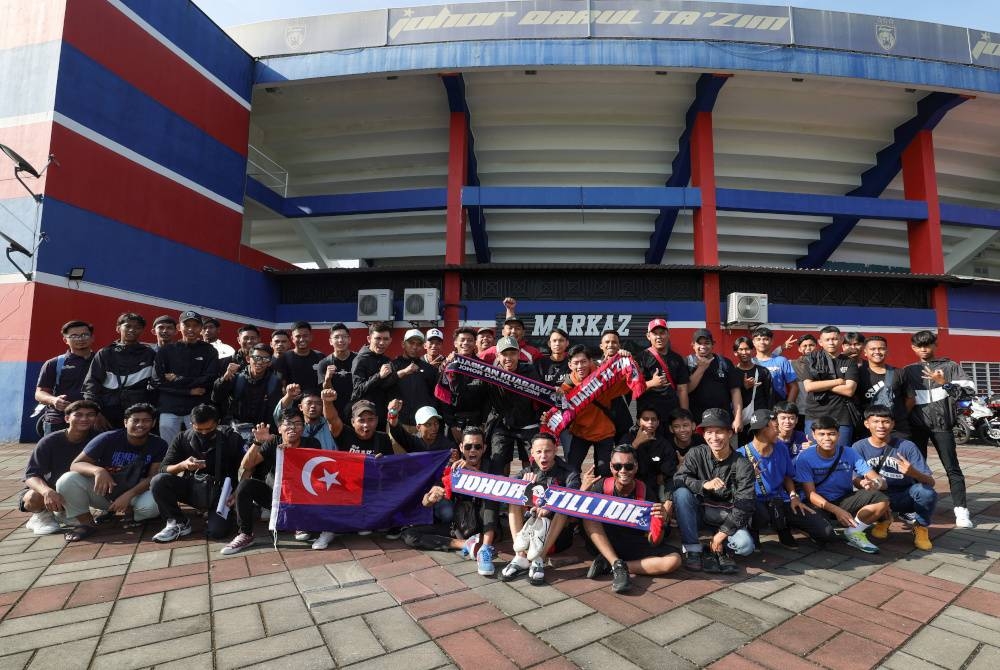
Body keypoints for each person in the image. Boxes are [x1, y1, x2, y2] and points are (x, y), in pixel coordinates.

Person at [56, 403, 166, 541]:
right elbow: (76, 464)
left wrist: (129, 495)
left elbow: (153, 476)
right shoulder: (107, 438)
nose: (140, 425)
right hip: (106, 491)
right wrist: (98, 470)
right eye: (135, 420)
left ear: (153, 423)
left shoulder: (159, 444)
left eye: (146, 421)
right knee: (67, 480)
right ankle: (85, 523)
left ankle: (129, 512)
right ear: (126, 422)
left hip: (136, 492)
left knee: (151, 507)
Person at [581, 445, 681, 593]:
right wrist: (583, 492)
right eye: (617, 466)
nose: (623, 471)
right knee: (587, 513)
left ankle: (613, 566)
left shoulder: (646, 491)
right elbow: (574, 515)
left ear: (636, 467)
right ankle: (614, 562)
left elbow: (654, 542)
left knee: (674, 560)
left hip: (632, 543)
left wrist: (660, 522)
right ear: (610, 466)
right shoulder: (600, 486)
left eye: (628, 466)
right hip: (604, 541)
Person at [219, 409, 321, 555]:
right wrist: (257, 442)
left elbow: (315, 475)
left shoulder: (312, 443)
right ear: (279, 429)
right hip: (276, 497)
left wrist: (291, 455)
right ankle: (245, 534)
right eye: (288, 424)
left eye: (298, 424)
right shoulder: (273, 442)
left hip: (301, 497)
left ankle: (299, 521)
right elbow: (247, 465)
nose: (292, 428)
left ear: (303, 428)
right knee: (246, 485)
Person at [903, 329, 974, 529]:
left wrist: (945, 384)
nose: (924, 349)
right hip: (916, 428)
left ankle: (961, 511)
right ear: (913, 348)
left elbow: (968, 394)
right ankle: (912, 508)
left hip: (943, 426)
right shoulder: (908, 371)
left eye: (927, 345)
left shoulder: (951, 366)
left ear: (935, 345)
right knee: (914, 470)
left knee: (952, 468)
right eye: (919, 346)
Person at [672, 409, 756, 573]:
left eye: (719, 432)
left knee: (745, 546)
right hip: (701, 513)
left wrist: (722, 533)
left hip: (729, 516)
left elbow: (746, 504)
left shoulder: (742, 464)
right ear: (703, 435)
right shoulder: (696, 453)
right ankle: (693, 549)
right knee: (681, 493)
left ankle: (721, 548)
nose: (714, 437)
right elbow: (678, 479)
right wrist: (703, 484)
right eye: (709, 432)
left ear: (730, 433)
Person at [561, 344, 664, 475]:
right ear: (570, 365)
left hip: (604, 432)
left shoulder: (604, 377)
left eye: (583, 361)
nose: (580, 366)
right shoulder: (566, 386)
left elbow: (628, 382)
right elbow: (560, 411)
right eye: (576, 363)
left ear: (590, 361)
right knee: (571, 469)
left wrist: (628, 360)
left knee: (604, 471)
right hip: (580, 433)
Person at [794, 415, 890, 554]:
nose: (827, 438)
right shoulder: (805, 458)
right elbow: (811, 494)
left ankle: (853, 532)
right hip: (818, 503)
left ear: (838, 435)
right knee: (826, 535)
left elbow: (880, 481)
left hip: (843, 499)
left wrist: (875, 484)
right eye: (822, 434)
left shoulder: (849, 452)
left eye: (831, 434)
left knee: (882, 499)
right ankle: (813, 526)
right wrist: (837, 511)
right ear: (814, 435)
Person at [738, 409, 832, 548]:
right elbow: (736, 490)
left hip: (780, 500)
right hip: (755, 503)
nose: (779, 430)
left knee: (825, 532)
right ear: (764, 429)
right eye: (776, 427)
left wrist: (793, 496)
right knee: (759, 513)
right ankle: (754, 529)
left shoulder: (780, 447)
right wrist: (749, 476)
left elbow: (788, 475)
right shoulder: (741, 454)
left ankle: (784, 525)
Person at [149, 404, 244, 542]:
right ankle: (178, 522)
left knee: (217, 532)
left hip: (222, 492)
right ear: (191, 424)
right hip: (192, 487)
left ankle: (223, 515)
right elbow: (164, 468)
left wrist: (236, 493)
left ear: (218, 423)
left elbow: (247, 467)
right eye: (199, 429)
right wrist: (183, 465)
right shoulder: (182, 438)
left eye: (209, 429)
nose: (204, 433)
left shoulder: (231, 438)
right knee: (159, 481)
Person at [403, 426, 499, 560]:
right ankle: (464, 544)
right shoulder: (453, 468)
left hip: (484, 526)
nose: (472, 450)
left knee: (491, 494)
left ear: (484, 448)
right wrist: (431, 498)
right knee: (409, 535)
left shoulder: (492, 466)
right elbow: (426, 502)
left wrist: (472, 471)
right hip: (459, 526)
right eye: (468, 447)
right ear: (461, 447)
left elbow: (501, 489)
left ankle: (485, 547)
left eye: (477, 447)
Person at [853, 405, 937, 550]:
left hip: (903, 495)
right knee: (859, 496)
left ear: (893, 424)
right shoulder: (858, 447)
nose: (881, 426)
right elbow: (854, 478)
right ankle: (883, 520)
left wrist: (913, 473)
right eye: (876, 421)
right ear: (867, 424)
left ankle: (921, 527)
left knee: (926, 492)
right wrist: (863, 483)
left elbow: (931, 482)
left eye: (886, 421)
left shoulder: (907, 446)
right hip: (876, 497)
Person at [499, 433, 580, 584]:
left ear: (556, 450)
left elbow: (573, 494)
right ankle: (521, 557)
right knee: (514, 499)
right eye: (539, 452)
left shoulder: (569, 472)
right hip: (528, 536)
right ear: (532, 453)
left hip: (556, 538)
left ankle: (539, 560)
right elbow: (506, 492)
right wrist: (523, 488)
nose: (543, 456)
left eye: (548, 451)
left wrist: (550, 506)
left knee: (563, 508)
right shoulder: (527, 471)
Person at [20, 400, 99, 535]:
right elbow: (31, 476)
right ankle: (41, 516)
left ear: (96, 419)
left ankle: (66, 513)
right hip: (50, 490)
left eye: (90, 415)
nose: (84, 419)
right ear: (67, 418)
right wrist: (47, 492)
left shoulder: (99, 439)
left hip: (77, 488)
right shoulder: (49, 441)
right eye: (78, 415)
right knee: (33, 497)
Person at [151, 310, 220, 444]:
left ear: (201, 329)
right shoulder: (166, 350)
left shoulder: (209, 351)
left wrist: (178, 379)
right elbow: (157, 381)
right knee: (168, 448)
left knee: (199, 446)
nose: (191, 329)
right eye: (187, 325)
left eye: (195, 326)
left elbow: (210, 378)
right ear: (179, 327)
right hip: (169, 407)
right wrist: (189, 391)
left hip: (196, 408)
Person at [83, 312, 157, 430]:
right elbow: (92, 383)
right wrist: (95, 412)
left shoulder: (150, 354)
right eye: (128, 326)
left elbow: (155, 385)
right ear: (118, 328)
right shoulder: (105, 353)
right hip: (107, 410)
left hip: (138, 412)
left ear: (142, 330)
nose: (132, 330)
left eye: (137, 327)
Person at [484, 336, 544, 476]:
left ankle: (530, 492)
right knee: (498, 461)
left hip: (527, 423)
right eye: (504, 354)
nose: (508, 358)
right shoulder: (489, 373)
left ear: (518, 354)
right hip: (502, 425)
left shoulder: (530, 371)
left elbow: (542, 393)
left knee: (532, 461)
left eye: (512, 353)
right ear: (498, 355)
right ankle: (500, 495)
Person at [35, 320, 96, 435]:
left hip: (93, 420)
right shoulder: (54, 363)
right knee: (54, 453)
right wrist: (54, 400)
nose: (80, 339)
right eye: (74, 336)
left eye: (84, 335)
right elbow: (39, 393)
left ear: (92, 338)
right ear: (65, 340)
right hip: (59, 419)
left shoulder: (102, 361)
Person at [801, 326, 859, 446]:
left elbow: (849, 390)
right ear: (820, 342)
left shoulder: (849, 362)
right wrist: (837, 381)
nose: (831, 342)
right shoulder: (811, 360)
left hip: (841, 417)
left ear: (841, 339)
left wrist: (820, 383)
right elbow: (809, 387)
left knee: (841, 456)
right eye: (827, 340)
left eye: (834, 339)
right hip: (814, 415)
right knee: (813, 454)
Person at [213, 343, 284, 432]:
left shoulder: (274, 382)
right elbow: (216, 398)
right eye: (256, 357)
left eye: (265, 359)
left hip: (261, 431)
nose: (260, 362)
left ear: (269, 363)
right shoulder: (236, 378)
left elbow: (274, 412)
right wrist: (225, 378)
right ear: (248, 359)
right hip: (236, 430)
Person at [636, 319, 689, 436]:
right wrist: (651, 383)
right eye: (655, 334)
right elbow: (633, 389)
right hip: (649, 418)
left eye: (662, 333)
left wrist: (685, 416)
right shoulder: (640, 358)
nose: (659, 337)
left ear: (668, 335)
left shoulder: (677, 359)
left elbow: (682, 389)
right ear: (648, 336)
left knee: (670, 448)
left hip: (672, 415)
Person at [687, 329, 743, 430]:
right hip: (697, 422)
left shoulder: (725, 363)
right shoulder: (687, 363)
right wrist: (701, 368)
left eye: (707, 343)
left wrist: (738, 417)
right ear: (693, 345)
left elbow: (735, 391)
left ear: (713, 344)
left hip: (723, 420)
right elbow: (686, 390)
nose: (703, 347)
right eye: (699, 343)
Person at [440, 327, 489, 442]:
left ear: (475, 343)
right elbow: (443, 398)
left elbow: (488, 398)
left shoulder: (483, 367)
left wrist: (483, 423)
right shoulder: (448, 365)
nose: (466, 343)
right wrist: (452, 425)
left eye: (470, 340)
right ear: (455, 343)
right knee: (453, 458)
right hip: (454, 424)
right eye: (462, 340)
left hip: (477, 423)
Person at [856, 335, 909, 437]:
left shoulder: (899, 373)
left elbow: (910, 399)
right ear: (865, 352)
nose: (877, 352)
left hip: (898, 429)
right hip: (868, 429)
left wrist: (899, 415)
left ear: (886, 351)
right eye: (873, 349)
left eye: (881, 349)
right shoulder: (858, 373)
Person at [351, 322, 400, 430]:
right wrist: (379, 376)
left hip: (381, 418)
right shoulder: (360, 359)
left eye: (386, 339)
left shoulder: (386, 360)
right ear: (369, 339)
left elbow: (385, 388)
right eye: (378, 338)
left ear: (390, 340)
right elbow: (358, 391)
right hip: (364, 421)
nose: (382, 343)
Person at [629, 407, 678, 503]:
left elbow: (669, 468)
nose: (650, 422)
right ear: (639, 422)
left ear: (658, 423)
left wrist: (662, 474)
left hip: (654, 485)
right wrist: (636, 443)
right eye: (646, 419)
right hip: (631, 482)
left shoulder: (664, 443)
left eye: (653, 419)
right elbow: (619, 459)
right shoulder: (628, 437)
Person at [392, 329, 437, 430]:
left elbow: (435, 397)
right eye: (411, 343)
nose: (415, 347)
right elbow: (384, 386)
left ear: (423, 346)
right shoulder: (393, 365)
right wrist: (403, 372)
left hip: (423, 425)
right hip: (398, 424)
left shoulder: (430, 370)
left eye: (419, 344)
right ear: (403, 344)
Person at [732, 336, 774, 442]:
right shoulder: (732, 372)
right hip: (742, 421)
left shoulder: (763, 371)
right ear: (735, 352)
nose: (744, 352)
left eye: (747, 349)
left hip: (761, 420)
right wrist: (744, 387)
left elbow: (769, 395)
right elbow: (730, 396)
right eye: (740, 349)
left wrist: (771, 417)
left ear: (752, 350)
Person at [274, 385, 337, 450]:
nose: (313, 406)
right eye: (309, 403)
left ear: (323, 407)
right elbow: (279, 415)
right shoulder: (294, 426)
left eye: (318, 403)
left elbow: (333, 418)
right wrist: (289, 396)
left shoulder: (330, 425)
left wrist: (328, 403)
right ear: (300, 407)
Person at [273, 321, 325, 396]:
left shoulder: (320, 357)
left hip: (315, 403)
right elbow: (282, 386)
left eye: (305, 336)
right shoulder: (283, 358)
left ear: (311, 337)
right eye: (298, 336)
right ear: (292, 338)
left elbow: (324, 383)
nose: (301, 339)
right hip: (292, 403)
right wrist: (290, 397)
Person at [317, 323, 356, 423]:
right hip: (335, 413)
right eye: (336, 337)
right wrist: (328, 378)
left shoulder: (359, 360)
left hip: (357, 411)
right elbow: (327, 394)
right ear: (330, 341)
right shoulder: (324, 363)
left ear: (350, 340)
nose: (340, 340)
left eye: (344, 337)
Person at [751, 326, 798, 403]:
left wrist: (787, 408)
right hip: (756, 405)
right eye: (758, 339)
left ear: (772, 341)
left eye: (766, 339)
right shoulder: (750, 362)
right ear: (753, 342)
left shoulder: (781, 361)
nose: (762, 342)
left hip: (778, 404)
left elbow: (794, 387)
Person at [387, 401, 455, 453]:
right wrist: (393, 411)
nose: (434, 428)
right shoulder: (413, 441)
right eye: (428, 425)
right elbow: (395, 429)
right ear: (418, 427)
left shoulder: (447, 445)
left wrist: (455, 459)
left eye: (436, 423)